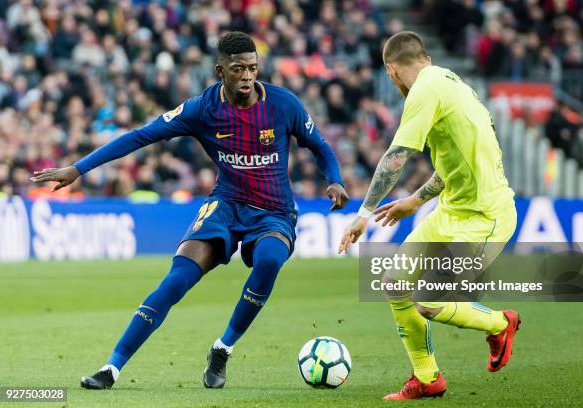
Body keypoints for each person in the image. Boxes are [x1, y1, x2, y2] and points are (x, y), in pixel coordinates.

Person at [31, 31, 349, 390]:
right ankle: (112, 367)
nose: (246, 76)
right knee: (177, 279)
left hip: (274, 211)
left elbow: (320, 146)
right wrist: (79, 168)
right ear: (219, 70)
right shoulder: (201, 109)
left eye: (252, 68)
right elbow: (141, 135)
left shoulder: (283, 105)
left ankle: (222, 349)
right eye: (238, 69)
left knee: (270, 260)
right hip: (225, 205)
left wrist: (334, 178)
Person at [339, 31, 520, 400]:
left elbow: (396, 156)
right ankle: (427, 377)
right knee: (395, 283)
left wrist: (364, 213)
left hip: (487, 216)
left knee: (431, 300)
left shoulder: (424, 89)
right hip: (453, 209)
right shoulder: (451, 84)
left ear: (391, 70)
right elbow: (454, 164)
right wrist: (417, 200)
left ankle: (501, 323)